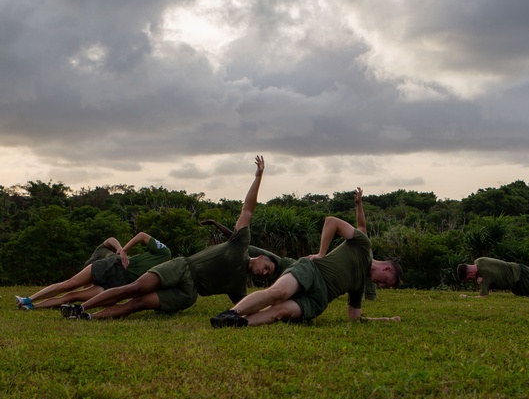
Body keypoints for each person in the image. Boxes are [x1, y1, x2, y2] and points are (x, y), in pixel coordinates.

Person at [61, 156, 277, 320]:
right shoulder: (240, 245)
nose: (264, 273)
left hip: (188, 293)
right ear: (260, 257)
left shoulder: (240, 286)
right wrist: (258, 177)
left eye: (267, 275)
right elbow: (248, 209)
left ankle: (87, 317)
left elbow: (249, 305)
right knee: (134, 288)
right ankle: (81, 307)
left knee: (138, 303)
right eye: (267, 268)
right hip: (182, 268)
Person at [209, 210, 403, 327]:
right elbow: (331, 221)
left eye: (382, 286)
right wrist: (321, 253)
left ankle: (237, 323)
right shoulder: (363, 246)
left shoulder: (360, 285)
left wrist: (384, 319)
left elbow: (355, 318)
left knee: (281, 311)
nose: (378, 284)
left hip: (318, 300)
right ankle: (232, 313)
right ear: (386, 268)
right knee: (279, 293)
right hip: (312, 270)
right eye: (383, 281)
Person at [16, 233, 171, 310]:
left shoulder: (166, 279)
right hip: (113, 266)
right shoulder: (165, 254)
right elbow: (142, 236)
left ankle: (32, 306)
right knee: (69, 285)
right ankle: (28, 299)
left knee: (72, 297)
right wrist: (123, 250)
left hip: (117, 284)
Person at [457, 258, 529, 297]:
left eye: (469, 278)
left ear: (470, 274)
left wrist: (466, 296)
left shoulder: (484, 277)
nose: (471, 280)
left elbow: (483, 296)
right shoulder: (479, 260)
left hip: (518, 280)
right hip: (520, 267)